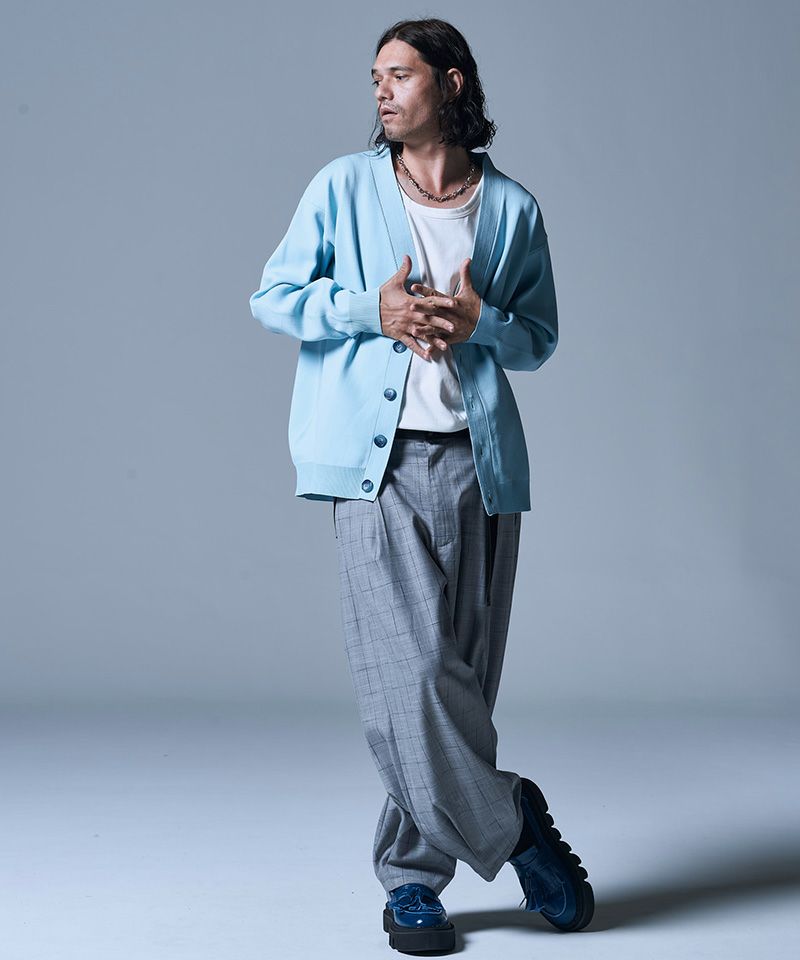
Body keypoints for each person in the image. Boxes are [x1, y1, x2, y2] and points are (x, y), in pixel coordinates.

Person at [249, 16, 593, 955]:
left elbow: (538, 339)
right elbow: (273, 297)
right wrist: (373, 308)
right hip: (376, 468)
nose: (381, 91)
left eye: (399, 74)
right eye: (375, 77)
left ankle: (412, 883)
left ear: (451, 83)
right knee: (409, 680)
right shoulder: (342, 186)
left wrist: (482, 324)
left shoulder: (511, 208)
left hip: (481, 467)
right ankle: (514, 827)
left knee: (459, 690)